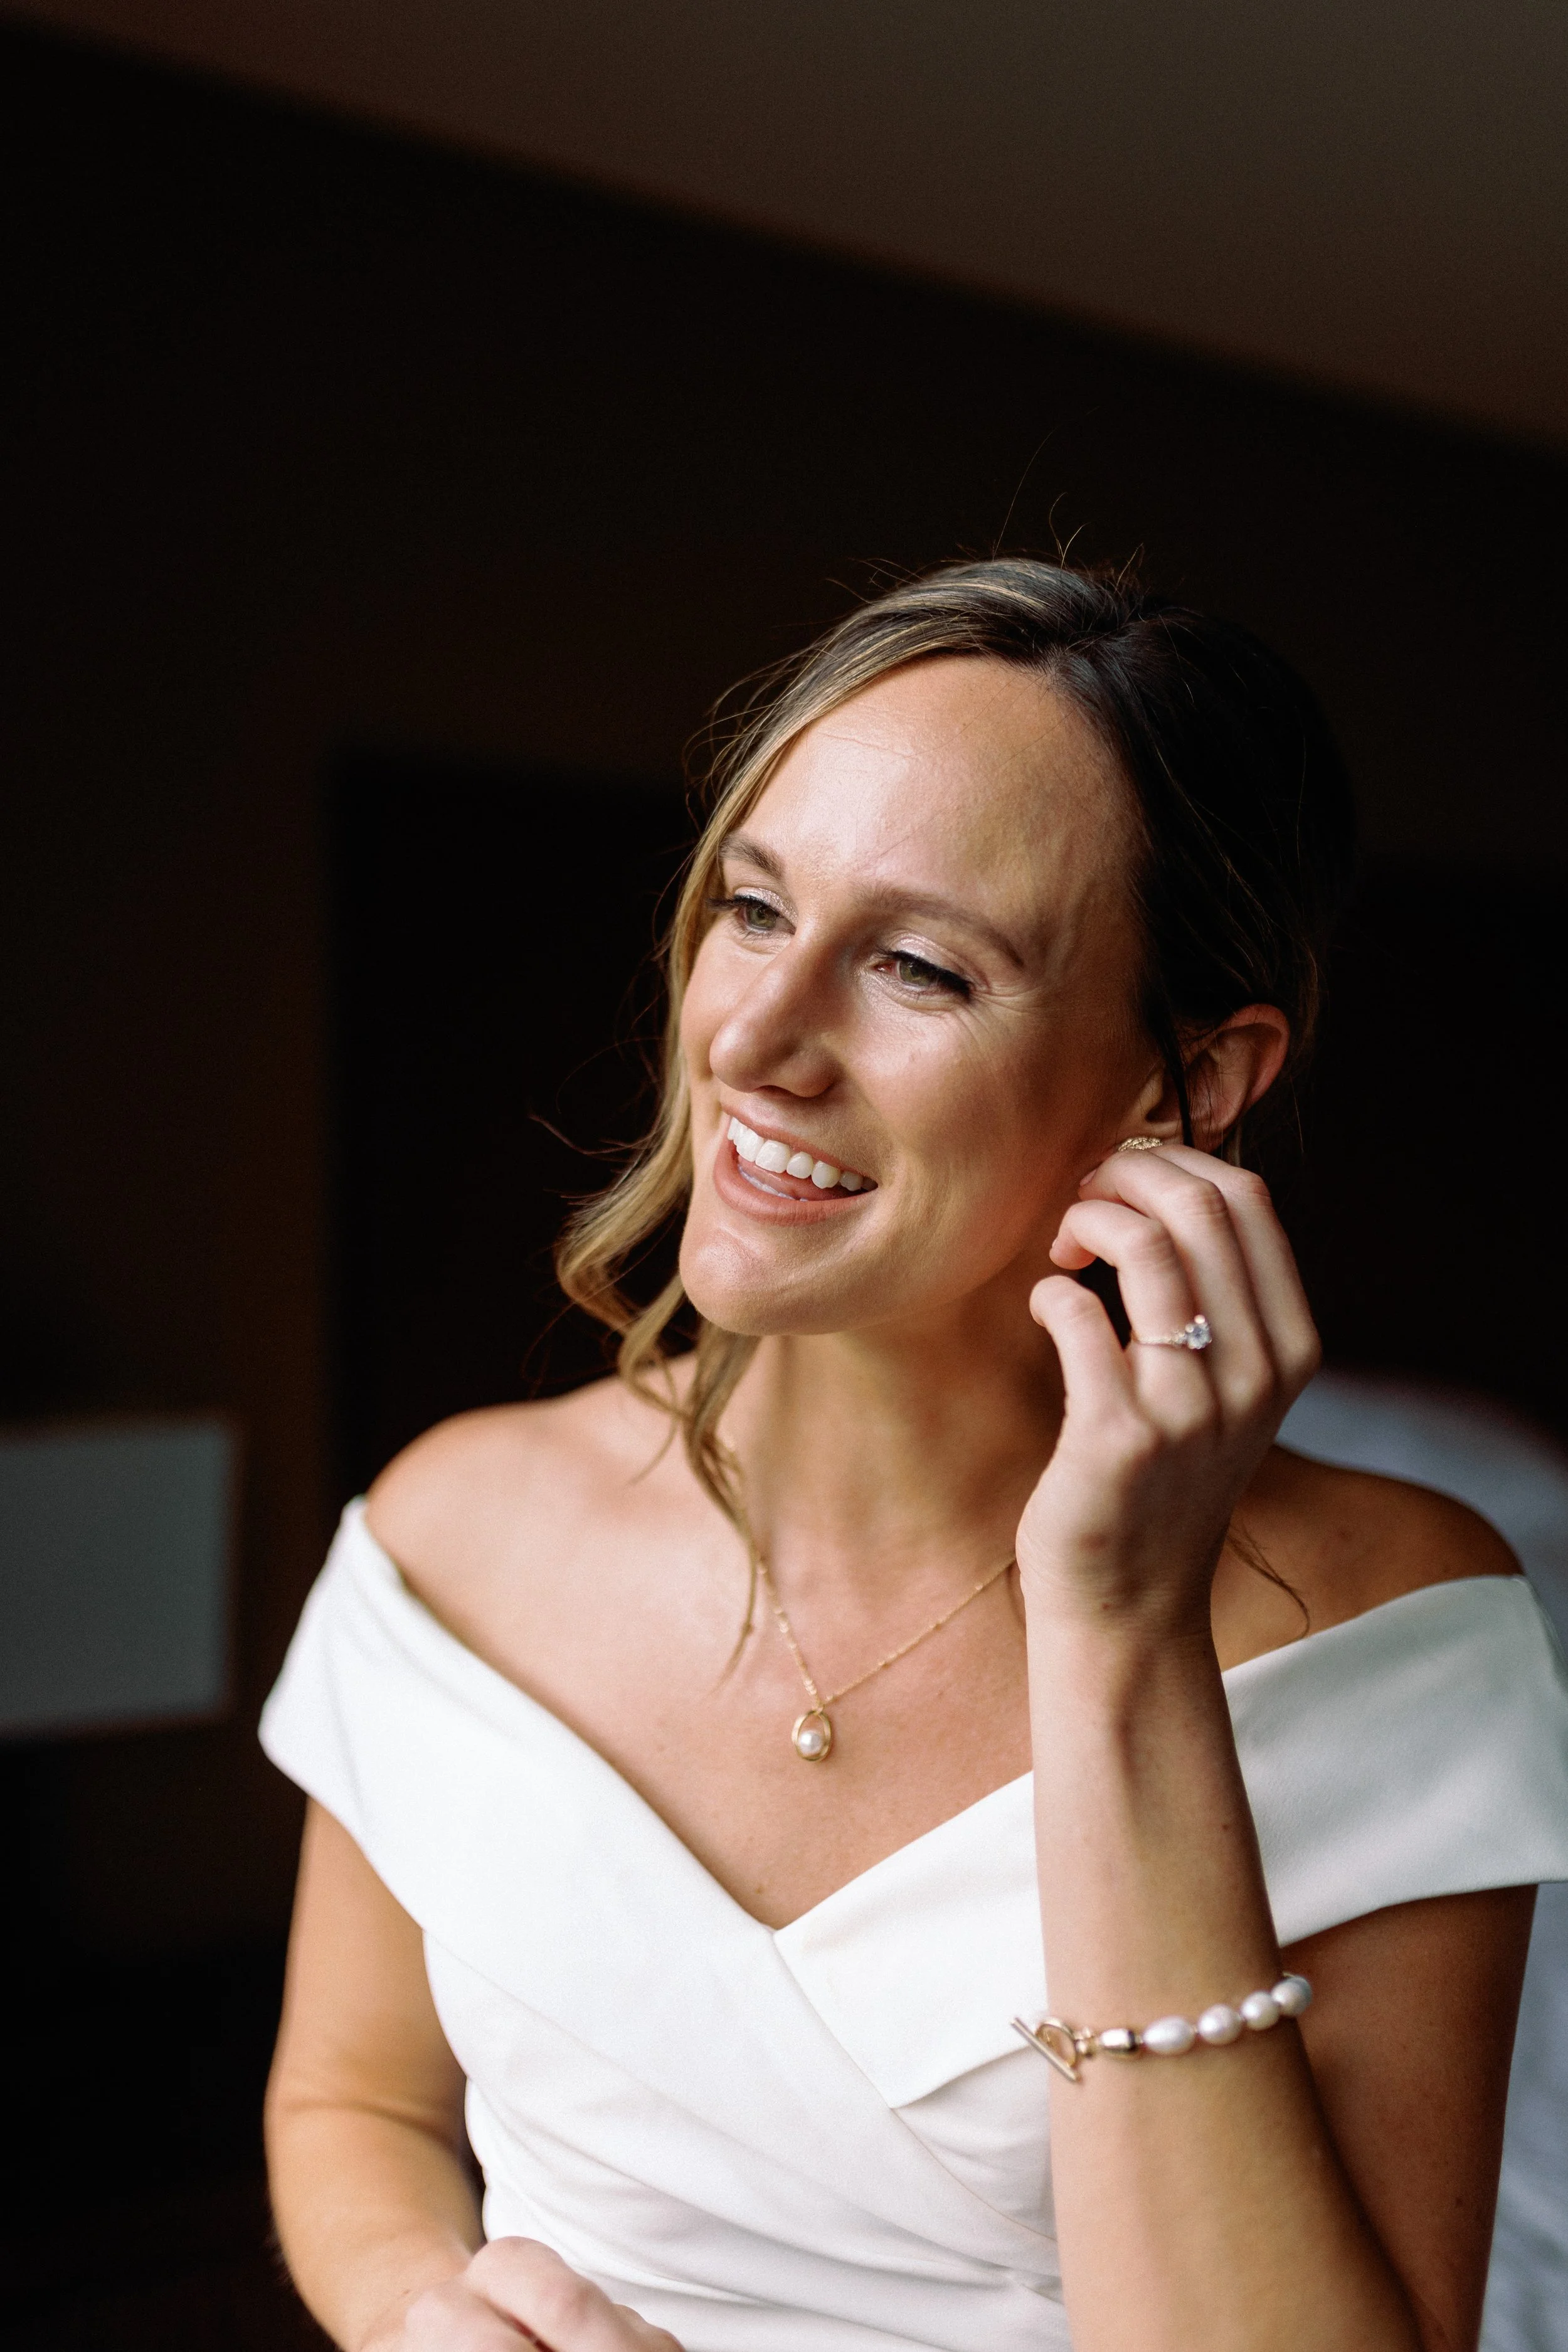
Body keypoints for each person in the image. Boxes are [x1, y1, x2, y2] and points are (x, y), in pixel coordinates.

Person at [260, 559, 1568, 2352]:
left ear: (1187, 1080)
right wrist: (422, 2306)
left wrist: (1122, 1639)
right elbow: (352, 2102)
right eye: (752, 907)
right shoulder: (453, 1531)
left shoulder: (1395, 1631)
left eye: (918, 966)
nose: (752, 1038)